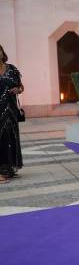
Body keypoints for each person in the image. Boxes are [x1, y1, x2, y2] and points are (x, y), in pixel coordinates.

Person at [0, 44, 24, 183]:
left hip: (11, 110)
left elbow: (21, 86)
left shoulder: (12, 69)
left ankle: (9, 168)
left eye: (0, 50)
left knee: (11, 137)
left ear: (3, 53)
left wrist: (18, 90)